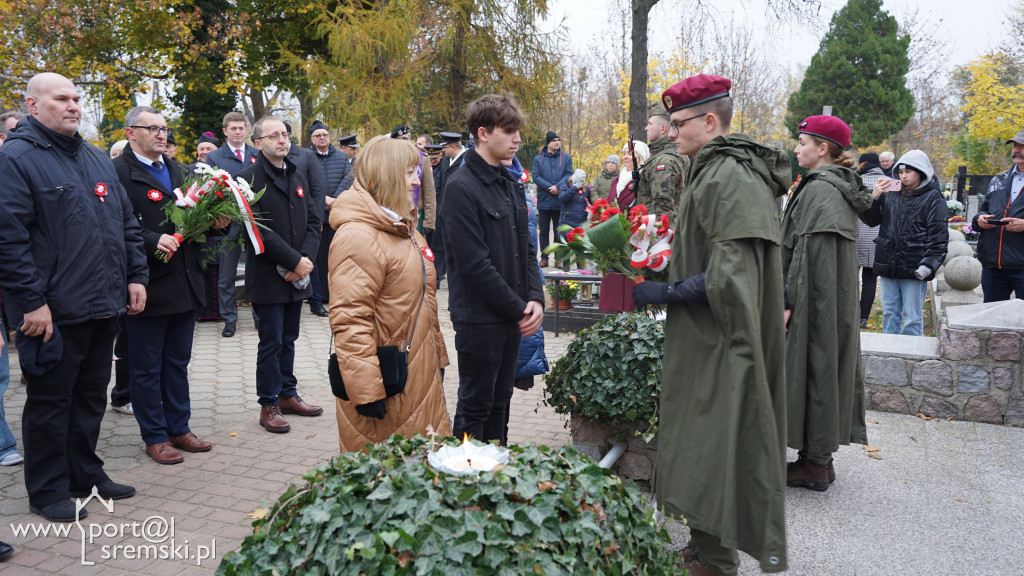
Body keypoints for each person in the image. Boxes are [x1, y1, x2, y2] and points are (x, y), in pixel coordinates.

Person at [632, 74, 788, 576]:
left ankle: (716, 561)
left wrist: (667, 292)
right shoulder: (713, 168)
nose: (669, 133)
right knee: (704, 441)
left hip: (726, 340)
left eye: (677, 124)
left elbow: (731, 275)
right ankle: (705, 548)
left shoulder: (730, 176)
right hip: (708, 335)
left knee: (715, 442)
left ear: (709, 120)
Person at [0, 73, 147, 522]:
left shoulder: (96, 157)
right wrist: (30, 302)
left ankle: (84, 473)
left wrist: (136, 275)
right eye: (61, 98)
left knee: (89, 398)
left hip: (103, 304)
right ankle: (46, 491)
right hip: (52, 311)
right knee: (50, 404)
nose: (73, 106)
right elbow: (9, 239)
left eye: (77, 98)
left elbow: (125, 222)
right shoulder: (16, 159)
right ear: (32, 104)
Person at [327, 135, 451, 451]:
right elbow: (349, 320)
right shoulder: (358, 236)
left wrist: (438, 359)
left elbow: (424, 301)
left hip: (417, 375)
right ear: (387, 174)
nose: (418, 179)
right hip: (386, 387)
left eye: (418, 171)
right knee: (389, 481)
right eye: (410, 171)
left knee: (422, 477)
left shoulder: (404, 228)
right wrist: (367, 393)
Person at [114, 105, 222, 464]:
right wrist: (150, 240)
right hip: (147, 282)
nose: (162, 134)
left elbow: (192, 219)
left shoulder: (178, 170)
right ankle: (155, 436)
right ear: (131, 133)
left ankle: (180, 427)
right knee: (146, 366)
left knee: (177, 362)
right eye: (152, 128)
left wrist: (214, 221)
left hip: (185, 280)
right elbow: (114, 226)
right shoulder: (117, 173)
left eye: (164, 128)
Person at [439, 93, 544, 444]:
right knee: (476, 405)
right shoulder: (461, 186)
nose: (517, 139)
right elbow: (473, 265)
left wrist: (535, 299)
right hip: (480, 318)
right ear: (483, 133)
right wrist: (519, 309)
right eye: (509, 131)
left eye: (518, 131)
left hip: (512, 315)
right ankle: (465, 484)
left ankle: (497, 475)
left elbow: (527, 249)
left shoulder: (509, 182)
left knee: (501, 402)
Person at [781, 115, 872, 492]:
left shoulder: (822, 189)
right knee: (822, 363)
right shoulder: (832, 184)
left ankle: (816, 464)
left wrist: (786, 302)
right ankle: (818, 460)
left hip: (815, 302)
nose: (797, 148)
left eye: (803, 142)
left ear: (822, 149)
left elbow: (806, 257)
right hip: (826, 300)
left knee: (816, 363)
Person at [236, 116, 323, 433]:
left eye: (285, 134)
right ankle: (268, 404)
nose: (282, 140)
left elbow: (314, 220)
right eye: (273, 136)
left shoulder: (297, 174)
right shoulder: (245, 179)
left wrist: (307, 259)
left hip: (297, 274)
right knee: (271, 341)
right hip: (270, 276)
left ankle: (288, 394)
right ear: (257, 143)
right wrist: (294, 261)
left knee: (290, 339)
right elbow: (256, 230)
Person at [860, 150, 947, 335]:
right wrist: (874, 197)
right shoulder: (891, 192)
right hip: (888, 263)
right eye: (900, 172)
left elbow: (938, 238)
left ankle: (911, 360)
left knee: (913, 319)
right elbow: (871, 220)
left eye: (909, 171)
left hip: (915, 265)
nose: (904, 176)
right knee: (890, 314)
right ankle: (888, 356)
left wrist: (927, 267)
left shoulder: (933, 197)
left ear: (921, 171)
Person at [205, 111, 259, 338]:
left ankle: (260, 317)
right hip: (228, 222)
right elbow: (210, 189)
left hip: (256, 222)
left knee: (258, 273)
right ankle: (229, 320)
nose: (238, 132)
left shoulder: (258, 153)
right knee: (226, 276)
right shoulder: (215, 157)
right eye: (233, 128)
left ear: (246, 131)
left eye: (241, 128)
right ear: (225, 131)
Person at [281, 121, 329, 318]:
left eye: (283, 134)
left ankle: (316, 302)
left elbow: (318, 190)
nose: (280, 140)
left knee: (310, 260)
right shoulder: (264, 155)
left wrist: (316, 221)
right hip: (281, 221)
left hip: (304, 219)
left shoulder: (306, 156)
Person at [308, 120, 354, 316]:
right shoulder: (306, 157)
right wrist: (323, 199)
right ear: (312, 139)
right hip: (316, 216)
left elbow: (349, 178)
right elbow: (305, 182)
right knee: (315, 260)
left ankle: (336, 297)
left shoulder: (341, 157)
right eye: (318, 135)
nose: (322, 138)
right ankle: (316, 301)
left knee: (336, 258)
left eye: (325, 135)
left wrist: (334, 199)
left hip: (337, 214)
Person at [974, 129, 1024, 301]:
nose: (1017, 150)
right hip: (994, 266)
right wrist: (980, 220)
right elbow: (983, 210)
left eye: (1022, 146)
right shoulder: (999, 179)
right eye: (1015, 145)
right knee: (991, 323)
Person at [636, 111, 690, 219]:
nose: (646, 128)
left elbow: (661, 212)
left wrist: (654, 233)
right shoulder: (679, 153)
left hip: (658, 231)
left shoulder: (663, 161)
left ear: (662, 129)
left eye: (650, 124)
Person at [532, 130, 573, 266]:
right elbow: (536, 177)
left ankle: (558, 258)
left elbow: (568, 173)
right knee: (543, 231)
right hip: (544, 200)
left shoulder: (566, 158)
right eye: (554, 140)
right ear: (548, 143)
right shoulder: (538, 159)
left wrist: (558, 187)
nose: (557, 143)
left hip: (560, 200)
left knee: (558, 231)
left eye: (558, 140)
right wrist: (550, 187)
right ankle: (544, 257)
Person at [856, 153, 885, 327]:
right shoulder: (887, 182)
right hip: (876, 236)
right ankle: (863, 317)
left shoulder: (855, 181)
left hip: (855, 235)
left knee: (850, 279)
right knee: (870, 280)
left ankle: (850, 314)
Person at [606, 141, 648, 210]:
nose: (625, 157)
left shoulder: (643, 180)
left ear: (640, 158)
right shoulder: (615, 181)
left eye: (630, 154)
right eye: (624, 153)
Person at [558, 168, 589, 239]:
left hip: (581, 223)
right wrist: (573, 188)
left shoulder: (586, 189)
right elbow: (562, 198)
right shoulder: (565, 186)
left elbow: (589, 202)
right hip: (568, 222)